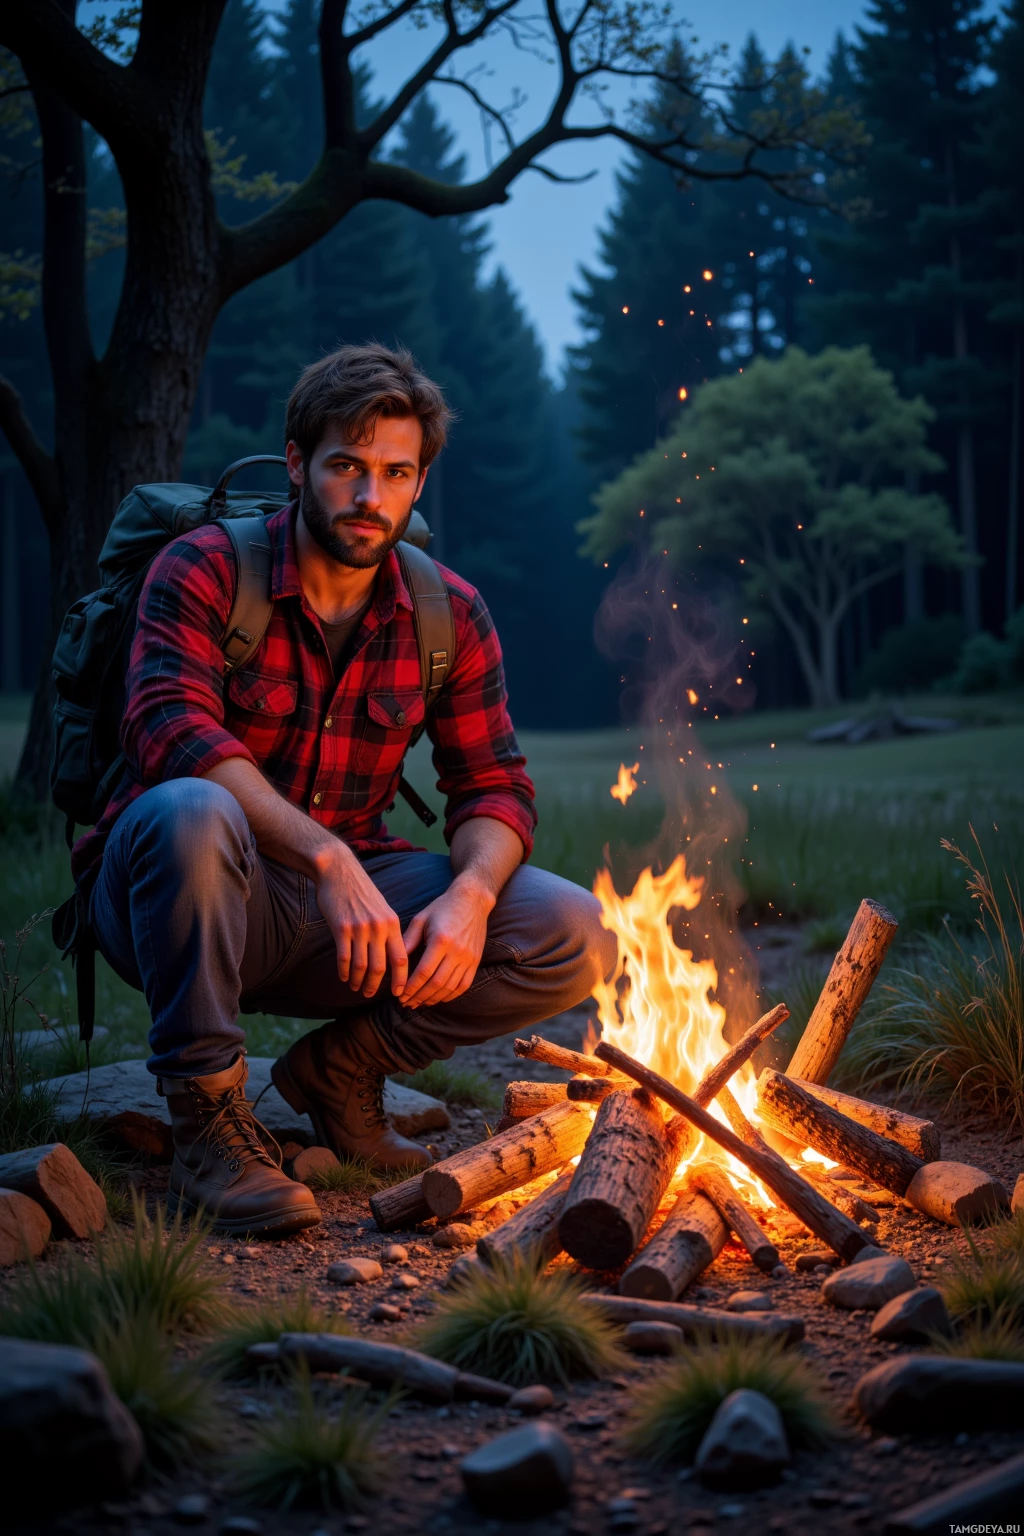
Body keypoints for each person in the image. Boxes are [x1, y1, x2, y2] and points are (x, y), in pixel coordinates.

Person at [74, 343, 615, 1237]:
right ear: (298, 464)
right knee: (193, 809)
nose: (370, 496)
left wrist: (473, 896)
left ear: (419, 481)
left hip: (348, 917)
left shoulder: (450, 612)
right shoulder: (203, 569)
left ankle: (342, 1072)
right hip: (176, 898)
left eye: (396, 473)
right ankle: (208, 1115)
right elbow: (169, 731)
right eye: (347, 468)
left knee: (574, 931)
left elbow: (494, 784)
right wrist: (324, 855)